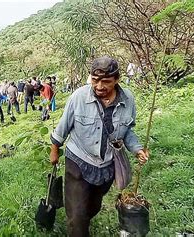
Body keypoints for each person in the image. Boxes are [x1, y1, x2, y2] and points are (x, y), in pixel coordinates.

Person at [49, 56, 150, 236]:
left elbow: (128, 131)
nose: (100, 86)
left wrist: (137, 149)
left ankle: (82, 220)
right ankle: (77, 226)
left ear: (117, 80)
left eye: (106, 82)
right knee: (77, 216)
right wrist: (55, 150)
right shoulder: (79, 97)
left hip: (107, 164)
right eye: (95, 81)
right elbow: (62, 127)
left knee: (93, 207)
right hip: (78, 160)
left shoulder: (128, 100)